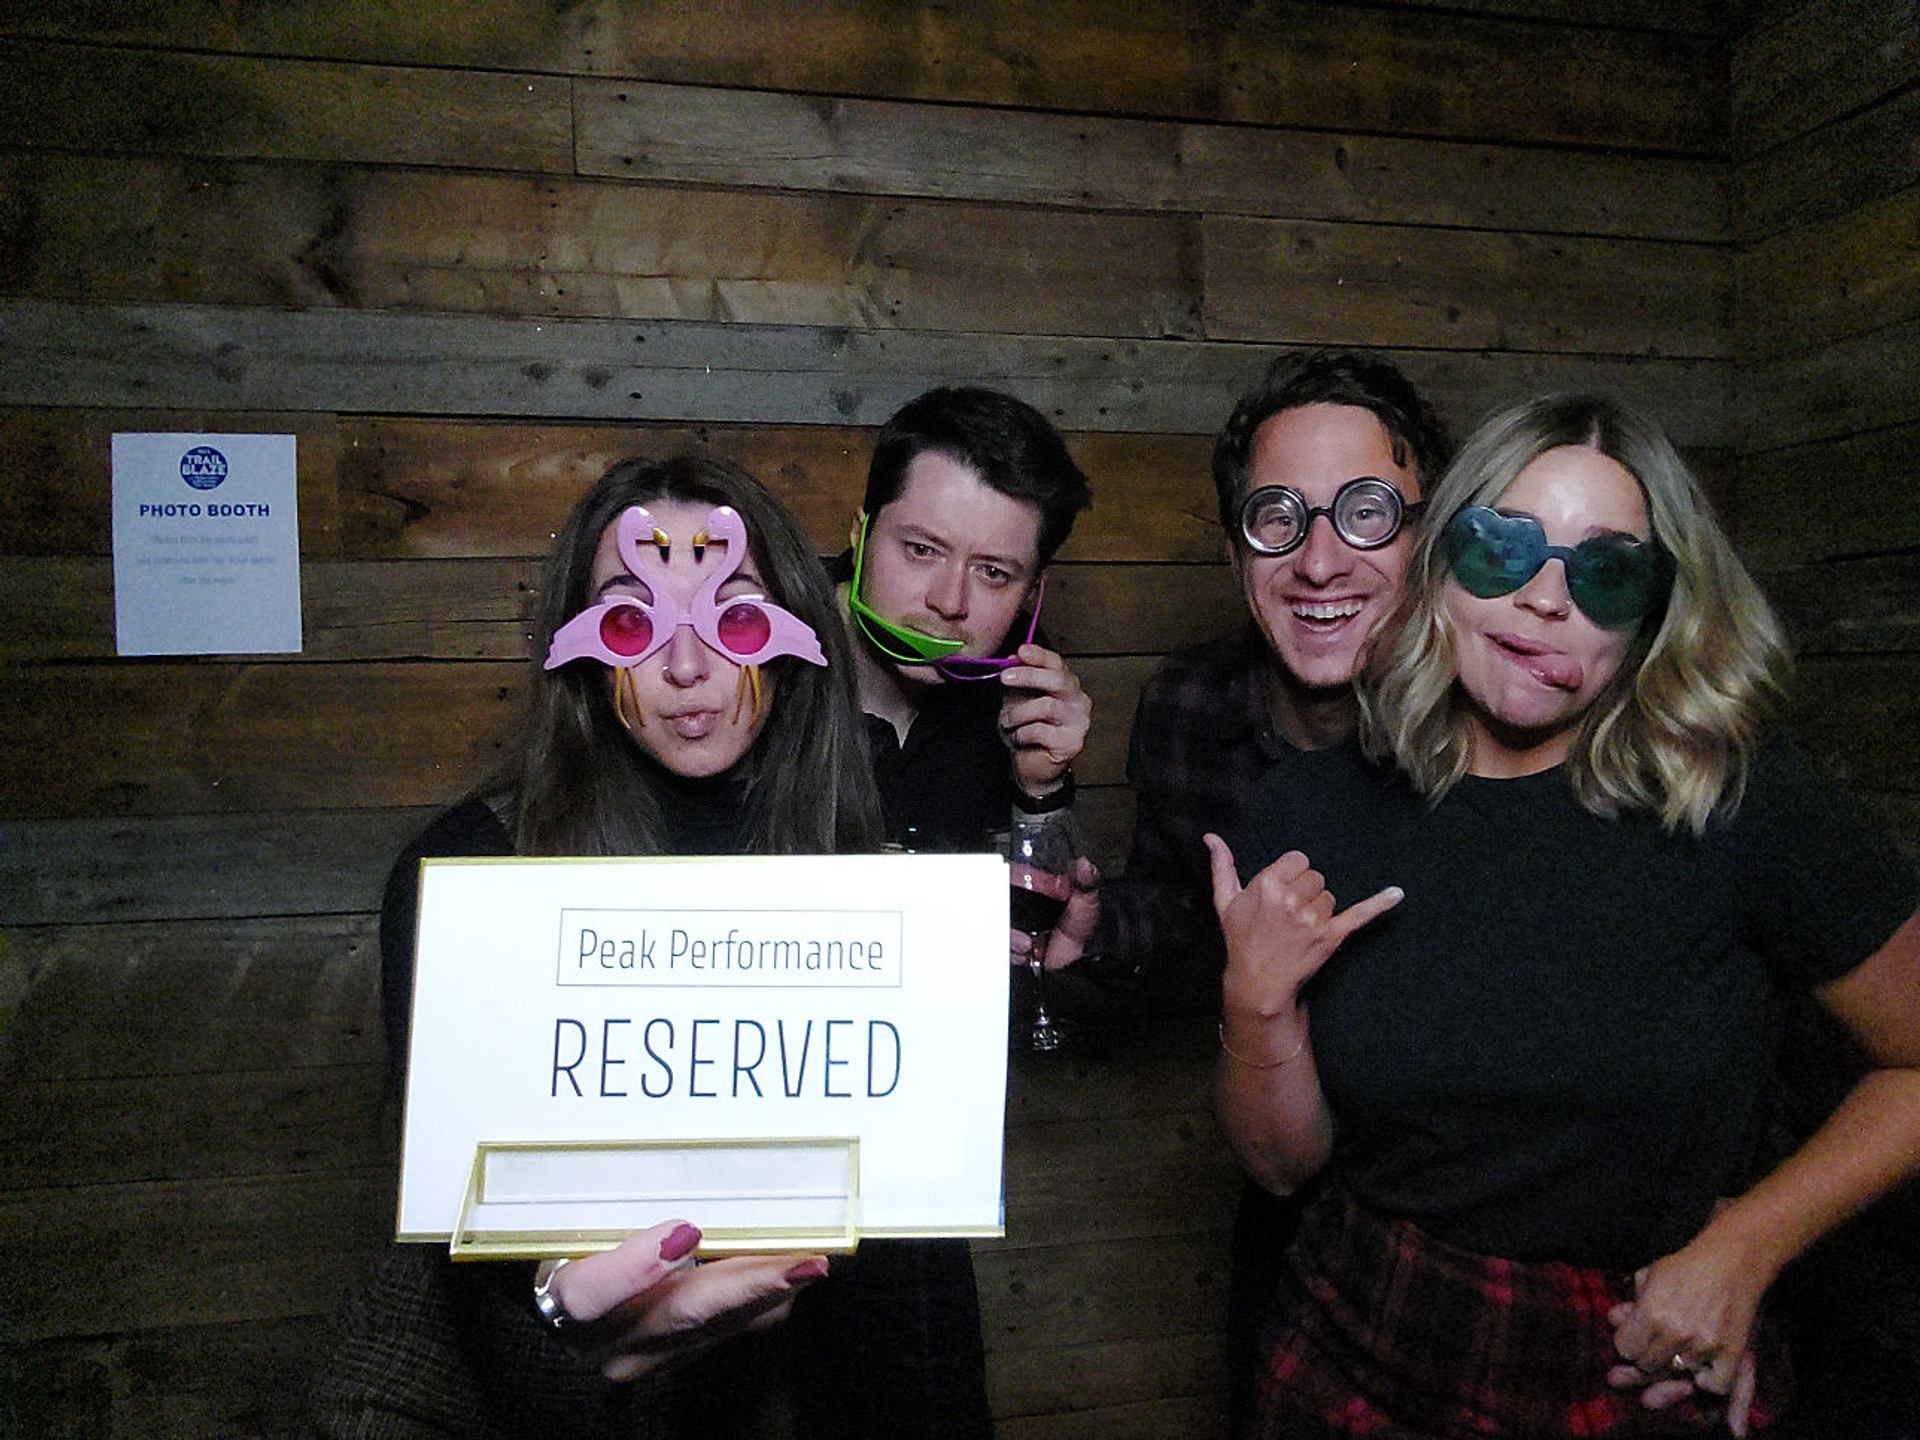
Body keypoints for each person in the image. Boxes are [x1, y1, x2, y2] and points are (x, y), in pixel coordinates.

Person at [1208, 394, 1920, 1438]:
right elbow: (1280, 1165)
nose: (1546, 600)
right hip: (1359, 1341)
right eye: (1503, 549)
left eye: (1607, 572)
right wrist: (1255, 1000)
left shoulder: (1746, 807)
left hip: (1631, 1362)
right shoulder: (1310, 810)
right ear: (1441, 563)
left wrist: (1748, 1246)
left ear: (1655, 609)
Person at [309, 454, 980, 1437]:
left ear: (791, 630)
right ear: (583, 649)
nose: (684, 666)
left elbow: (908, 1239)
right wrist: (556, 1320)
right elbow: (472, 1250)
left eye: (733, 615)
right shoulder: (467, 873)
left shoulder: (850, 862)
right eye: (631, 619)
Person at [835, 384, 1095, 854]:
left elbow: (1032, 903)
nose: (949, 602)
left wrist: (1040, 790)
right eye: (921, 550)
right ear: (860, 533)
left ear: (1032, 589)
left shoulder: (1023, 684)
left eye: (993, 573)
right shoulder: (759, 651)